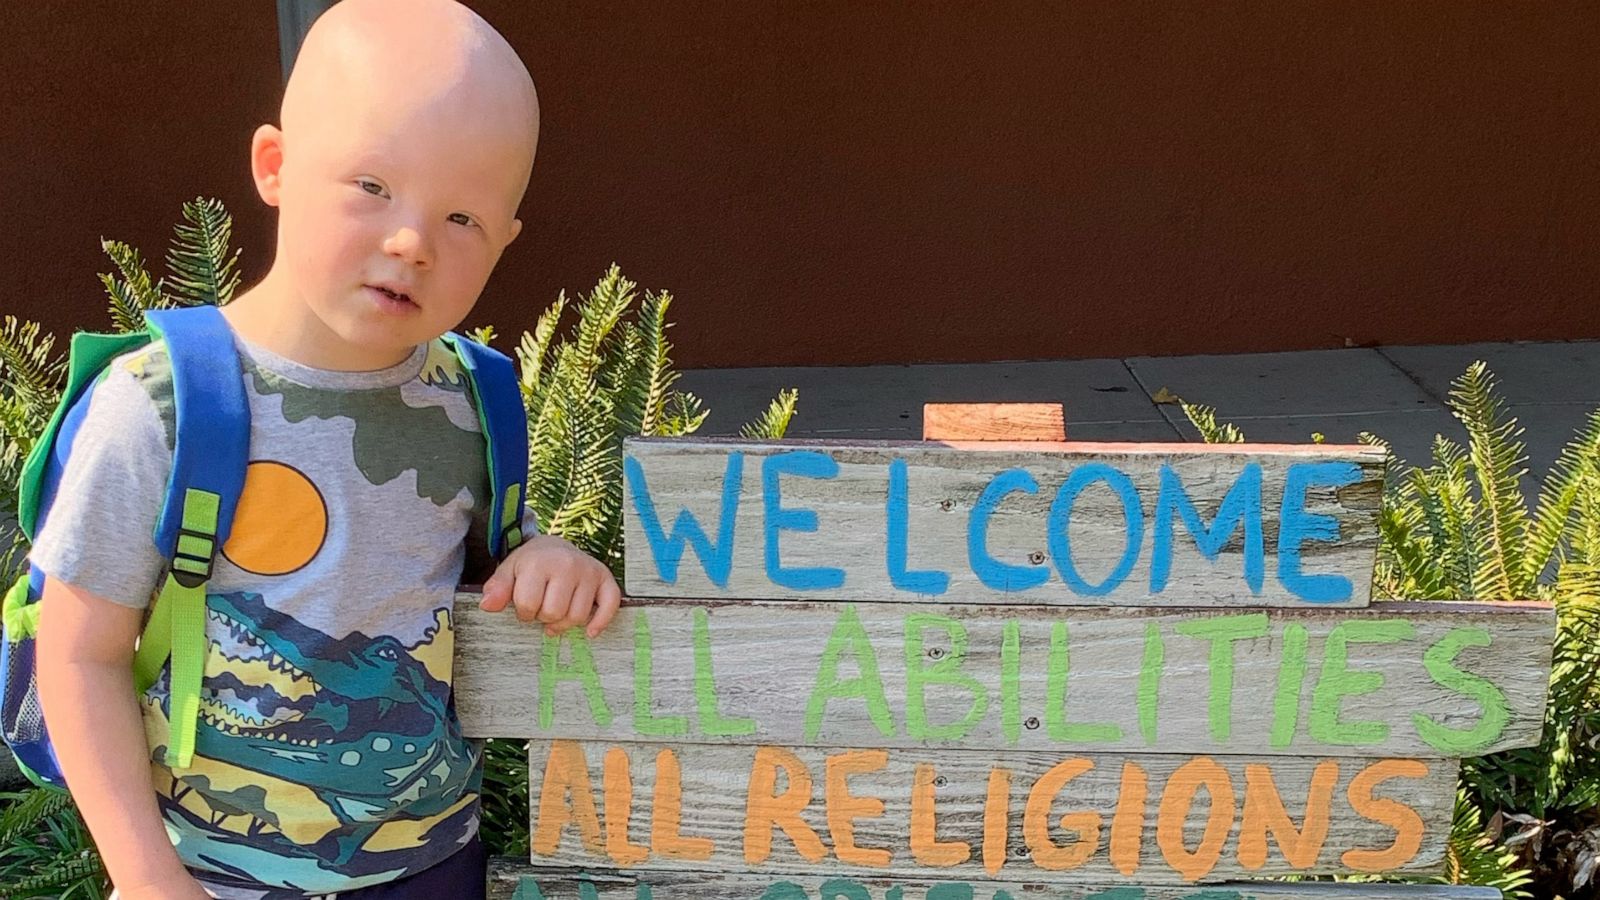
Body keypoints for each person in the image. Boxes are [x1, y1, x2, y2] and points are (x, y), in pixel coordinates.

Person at [30, 2, 620, 897]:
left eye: (462, 217)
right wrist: (145, 874)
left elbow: (497, 557)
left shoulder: (473, 405)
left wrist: (548, 559)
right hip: (211, 875)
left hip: (429, 867)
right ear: (275, 165)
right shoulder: (159, 410)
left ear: (505, 240)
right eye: (372, 186)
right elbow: (78, 654)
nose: (411, 241)